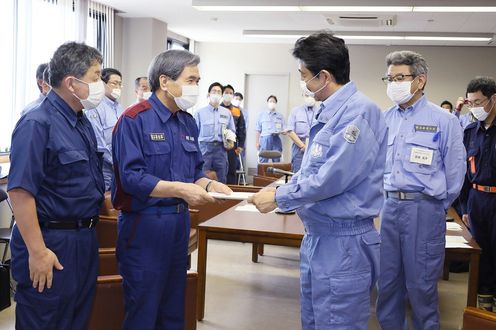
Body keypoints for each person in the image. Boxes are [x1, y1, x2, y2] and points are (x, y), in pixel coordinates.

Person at [249, 32, 387, 330]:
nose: (304, 82)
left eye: (304, 75)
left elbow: (331, 178)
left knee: (338, 323)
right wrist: (282, 187)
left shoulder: (359, 113)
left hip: (344, 242)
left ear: (324, 76)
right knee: (315, 321)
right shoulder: (329, 111)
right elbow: (312, 168)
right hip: (319, 236)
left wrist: (279, 198)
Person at [112, 49, 232, 329]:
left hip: (178, 226)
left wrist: (210, 184)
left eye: (198, 80)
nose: (197, 88)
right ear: (164, 81)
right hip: (145, 228)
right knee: (143, 310)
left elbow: (195, 172)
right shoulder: (134, 120)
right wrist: (181, 189)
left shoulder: (187, 122)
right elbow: (130, 178)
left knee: (173, 311)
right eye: (191, 80)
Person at [7, 42, 105, 330]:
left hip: (84, 238)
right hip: (51, 240)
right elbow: (20, 192)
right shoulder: (37, 122)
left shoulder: (80, 121)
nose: (100, 84)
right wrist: (37, 252)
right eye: (96, 76)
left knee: (76, 318)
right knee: (45, 318)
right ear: (71, 83)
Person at [377, 50, 466, 330]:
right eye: (390, 78)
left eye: (400, 77)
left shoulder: (444, 120)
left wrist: (435, 206)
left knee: (422, 284)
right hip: (389, 208)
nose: (394, 84)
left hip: (424, 209)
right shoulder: (384, 118)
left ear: (420, 80)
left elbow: (455, 173)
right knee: (388, 282)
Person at [458, 76, 496, 311]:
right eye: (470, 103)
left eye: (478, 102)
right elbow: (462, 171)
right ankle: (482, 307)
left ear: (493, 99)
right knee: (480, 255)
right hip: (476, 199)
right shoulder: (471, 131)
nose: (474, 108)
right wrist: (463, 209)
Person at [86, 68, 124, 191]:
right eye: (114, 83)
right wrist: (114, 163)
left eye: (120, 83)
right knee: (104, 202)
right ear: (103, 83)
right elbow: (97, 140)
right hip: (105, 168)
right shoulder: (95, 107)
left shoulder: (120, 108)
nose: (118, 87)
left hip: (122, 168)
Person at [194, 82, 236, 183]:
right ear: (209, 94)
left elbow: (231, 130)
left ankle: (220, 199)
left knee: (221, 178)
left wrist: (231, 142)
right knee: (202, 178)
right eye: (214, 91)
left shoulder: (227, 113)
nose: (216, 93)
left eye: (219, 92)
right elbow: (194, 133)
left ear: (222, 95)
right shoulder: (200, 113)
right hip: (204, 149)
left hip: (221, 150)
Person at [285, 95, 318, 172]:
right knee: (297, 173)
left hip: (315, 146)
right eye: (307, 95)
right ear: (303, 95)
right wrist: (303, 146)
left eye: (312, 94)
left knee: (313, 174)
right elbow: (290, 131)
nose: (310, 97)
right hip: (299, 147)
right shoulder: (295, 111)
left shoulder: (321, 111)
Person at [221, 84, 246, 184]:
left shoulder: (237, 110)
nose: (228, 94)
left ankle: (231, 193)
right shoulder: (217, 108)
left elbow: (242, 129)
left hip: (232, 145)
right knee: (220, 169)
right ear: (222, 94)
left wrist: (240, 145)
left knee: (232, 169)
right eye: (226, 92)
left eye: (231, 93)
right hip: (219, 144)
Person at [255, 95, 285, 163]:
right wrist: (257, 142)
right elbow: (258, 130)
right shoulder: (261, 115)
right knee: (263, 159)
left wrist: (282, 132)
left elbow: (284, 129)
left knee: (277, 159)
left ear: (276, 103)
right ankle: (262, 174)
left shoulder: (280, 116)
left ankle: (276, 174)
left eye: (274, 101)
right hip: (265, 139)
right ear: (267, 103)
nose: (272, 103)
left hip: (276, 139)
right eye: (270, 101)